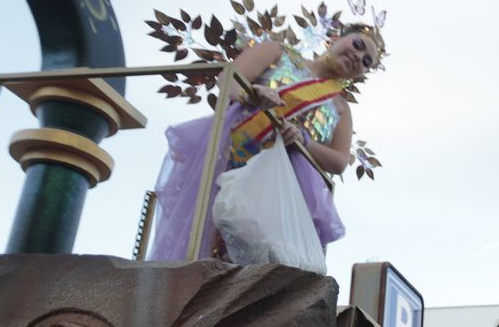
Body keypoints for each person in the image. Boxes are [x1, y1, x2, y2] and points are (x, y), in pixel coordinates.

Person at [146, 24, 384, 261]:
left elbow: (339, 162)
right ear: (335, 38)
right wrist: (250, 95)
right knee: (203, 243)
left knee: (252, 263)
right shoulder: (278, 53)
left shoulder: (341, 108)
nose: (358, 56)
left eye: (366, 61)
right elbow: (229, 79)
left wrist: (303, 141)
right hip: (228, 158)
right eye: (358, 44)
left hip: (278, 188)